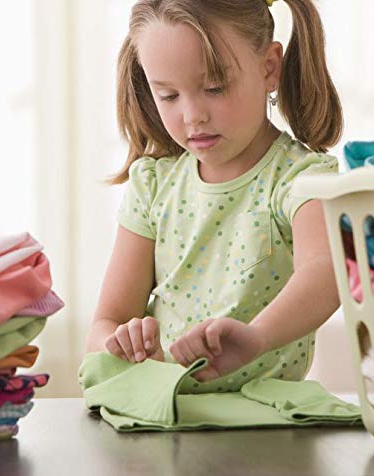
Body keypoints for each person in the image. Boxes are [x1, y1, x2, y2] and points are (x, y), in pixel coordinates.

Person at [85, 0, 342, 393]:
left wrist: (257, 337)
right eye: (168, 95)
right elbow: (105, 324)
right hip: (164, 413)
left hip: (263, 417)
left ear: (268, 68)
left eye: (214, 88)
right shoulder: (153, 185)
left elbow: (327, 272)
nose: (193, 115)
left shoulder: (300, 179)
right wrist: (122, 345)